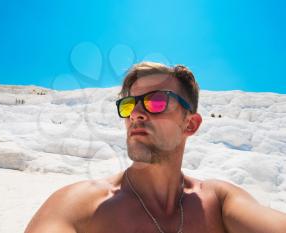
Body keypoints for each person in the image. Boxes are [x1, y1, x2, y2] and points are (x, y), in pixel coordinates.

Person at [25, 62, 286, 233]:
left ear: (190, 125)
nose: (136, 113)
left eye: (157, 101)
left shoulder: (218, 201)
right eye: (128, 105)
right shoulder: (81, 204)